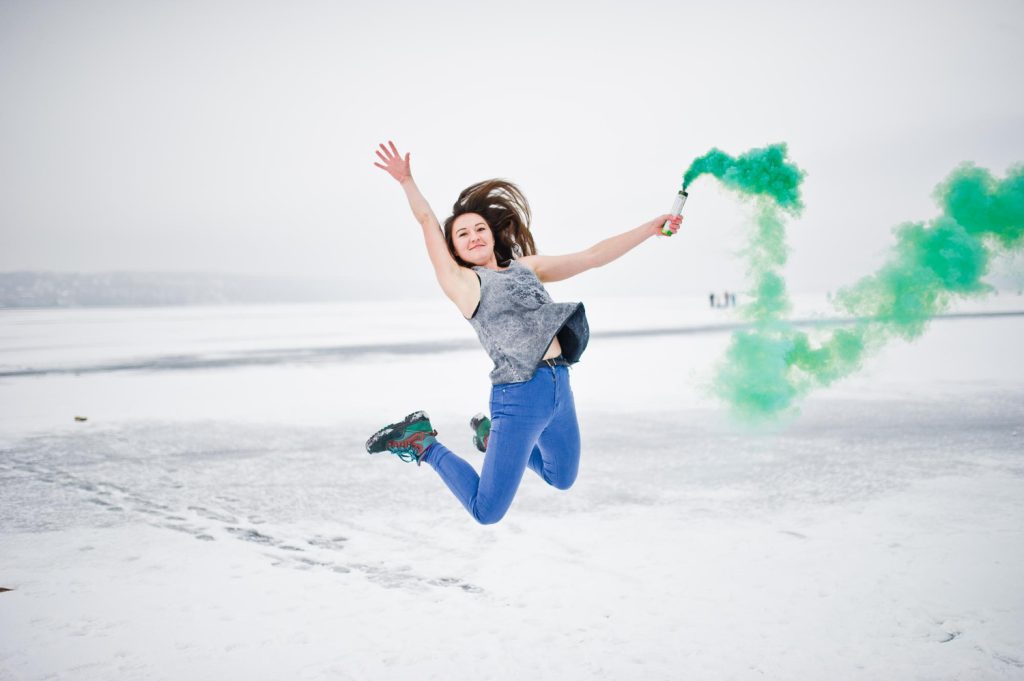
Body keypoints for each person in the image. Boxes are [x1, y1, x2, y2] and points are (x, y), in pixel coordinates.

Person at [366, 140, 682, 524]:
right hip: (518, 396)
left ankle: (489, 438)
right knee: (487, 511)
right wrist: (407, 181)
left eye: (480, 228)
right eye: (463, 234)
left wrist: (650, 229)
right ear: (454, 249)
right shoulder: (463, 284)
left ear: (492, 234)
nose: (474, 236)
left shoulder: (526, 267)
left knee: (562, 478)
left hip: (559, 385)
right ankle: (423, 443)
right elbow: (426, 221)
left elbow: (592, 257)